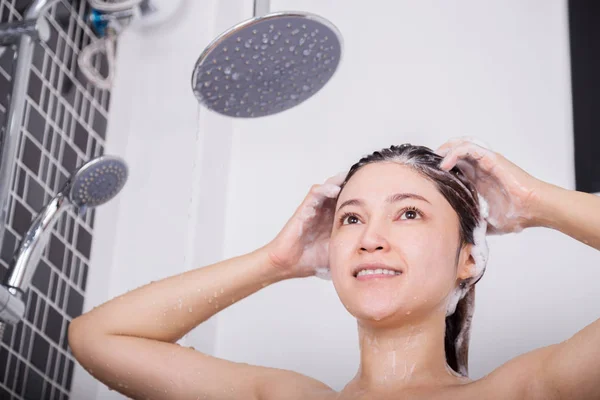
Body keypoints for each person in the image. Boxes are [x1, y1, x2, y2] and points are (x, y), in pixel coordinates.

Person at [68, 137, 600, 399]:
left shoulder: (527, 392)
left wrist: (537, 202)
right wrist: (274, 262)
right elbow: (98, 337)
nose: (371, 238)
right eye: (351, 218)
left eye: (408, 213)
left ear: (468, 258)